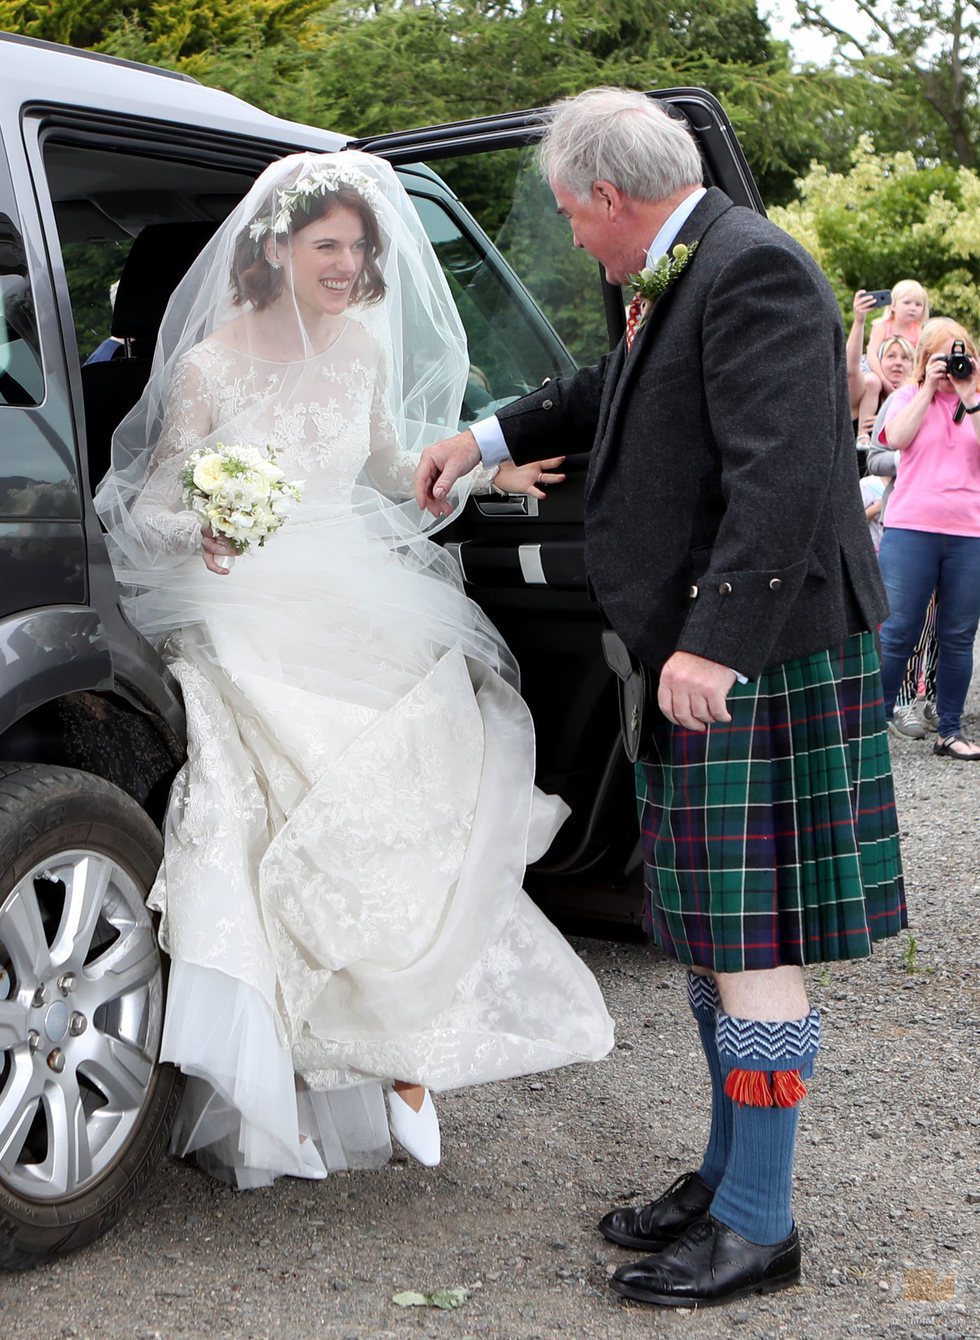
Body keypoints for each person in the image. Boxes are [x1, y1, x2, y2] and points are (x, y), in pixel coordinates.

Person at [416, 87, 906, 1310]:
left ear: (613, 198)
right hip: (709, 650)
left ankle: (759, 1222)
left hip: (761, 657)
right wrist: (481, 438)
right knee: (703, 930)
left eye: (574, 217)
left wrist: (717, 642)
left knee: (752, 941)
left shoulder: (756, 273)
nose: (573, 238)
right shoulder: (674, 271)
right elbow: (611, 390)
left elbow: (785, 477)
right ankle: (727, 1170)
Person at [94, 151, 613, 1189]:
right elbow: (147, 500)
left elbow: (383, 465)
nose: (345, 263)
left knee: (418, 791)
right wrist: (206, 514)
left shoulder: (361, 351)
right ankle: (299, 1066)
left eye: (358, 247)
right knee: (290, 802)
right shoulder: (207, 366)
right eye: (325, 244)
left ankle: (397, 1048)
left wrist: (484, 464)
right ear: (275, 247)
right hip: (242, 597)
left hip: (357, 587)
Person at [873, 317, 980, 761]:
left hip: (969, 531)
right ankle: (870, 727)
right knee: (897, 631)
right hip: (911, 528)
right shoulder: (904, 397)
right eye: (944, 357)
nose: (952, 365)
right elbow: (895, 439)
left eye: (960, 356)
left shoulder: (976, 401)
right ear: (926, 360)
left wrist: (969, 394)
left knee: (958, 635)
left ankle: (949, 730)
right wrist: (926, 389)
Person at [866, 279, 928, 383]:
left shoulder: (919, 331)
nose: (913, 308)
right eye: (907, 303)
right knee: (872, 383)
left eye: (918, 304)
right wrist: (884, 380)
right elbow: (871, 355)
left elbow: (920, 360)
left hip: (906, 375)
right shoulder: (882, 327)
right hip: (879, 372)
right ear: (893, 306)